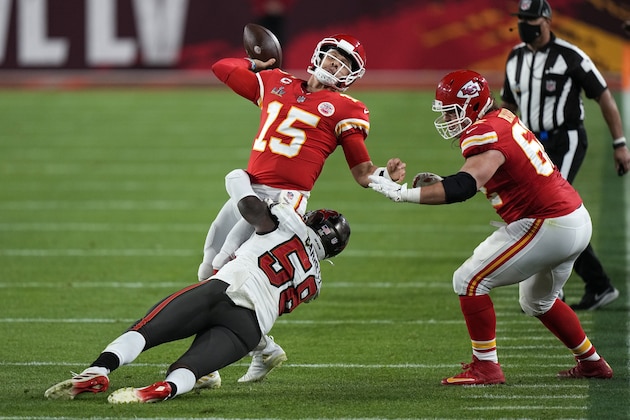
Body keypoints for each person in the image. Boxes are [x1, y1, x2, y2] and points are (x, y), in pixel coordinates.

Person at [368, 69, 613, 385]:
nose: (446, 118)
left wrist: (404, 194)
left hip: (547, 223)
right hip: (573, 219)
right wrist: (444, 183)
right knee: (538, 301)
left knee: (468, 280)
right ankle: (592, 362)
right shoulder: (502, 118)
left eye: (451, 111)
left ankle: (486, 366)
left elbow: (465, 187)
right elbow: (493, 175)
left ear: (472, 105)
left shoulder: (483, 132)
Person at [197, 33, 406, 386]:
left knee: (224, 276)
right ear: (319, 56)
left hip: (282, 202)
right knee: (207, 270)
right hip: (249, 191)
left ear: (352, 75)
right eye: (333, 57)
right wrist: (259, 65)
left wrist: (389, 178)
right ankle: (261, 349)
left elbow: (362, 172)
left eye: (345, 64)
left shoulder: (346, 109)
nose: (336, 65)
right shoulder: (277, 81)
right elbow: (222, 67)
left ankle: (209, 365)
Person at [44, 169, 351, 403]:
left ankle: (99, 371)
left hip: (222, 292)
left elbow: (250, 208)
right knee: (191, 369)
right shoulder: (314, 283)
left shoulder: (288, 220)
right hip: (249, 328)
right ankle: (164, 389)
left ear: (313, 222)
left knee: (145, 331)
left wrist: (238, 179)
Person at [500, 0, 630, 310]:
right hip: (532, 145)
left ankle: (556, 289)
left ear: (546, 20)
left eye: (530, 19)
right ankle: (597, 285)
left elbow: (604, 96)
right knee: (545, 212)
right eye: (520, 19)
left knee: (551, 210)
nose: (523, 25)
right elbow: (508, 104)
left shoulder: (570, 56)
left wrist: (620, 143)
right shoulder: (515, 57)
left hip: (567, 139)